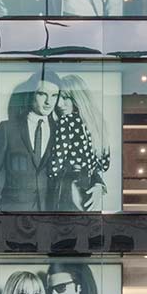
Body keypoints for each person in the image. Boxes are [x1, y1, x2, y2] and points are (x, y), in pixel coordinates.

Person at [0, 78, 62, 211]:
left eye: (54, 95)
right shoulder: (8, 129)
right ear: (31, 95)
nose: (48, 102)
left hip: (49, 215)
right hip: (13, 215)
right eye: (42, 94)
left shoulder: (60, 130)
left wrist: (98, 183)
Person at [43, 72, 114, 212]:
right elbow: (104, 165)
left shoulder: (66, 121)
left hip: (67, 191)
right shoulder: (97, 125)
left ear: (77, 98)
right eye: (59, 97)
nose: (59, 104)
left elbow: (54, 168)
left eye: (66, 98)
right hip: (87, 191)